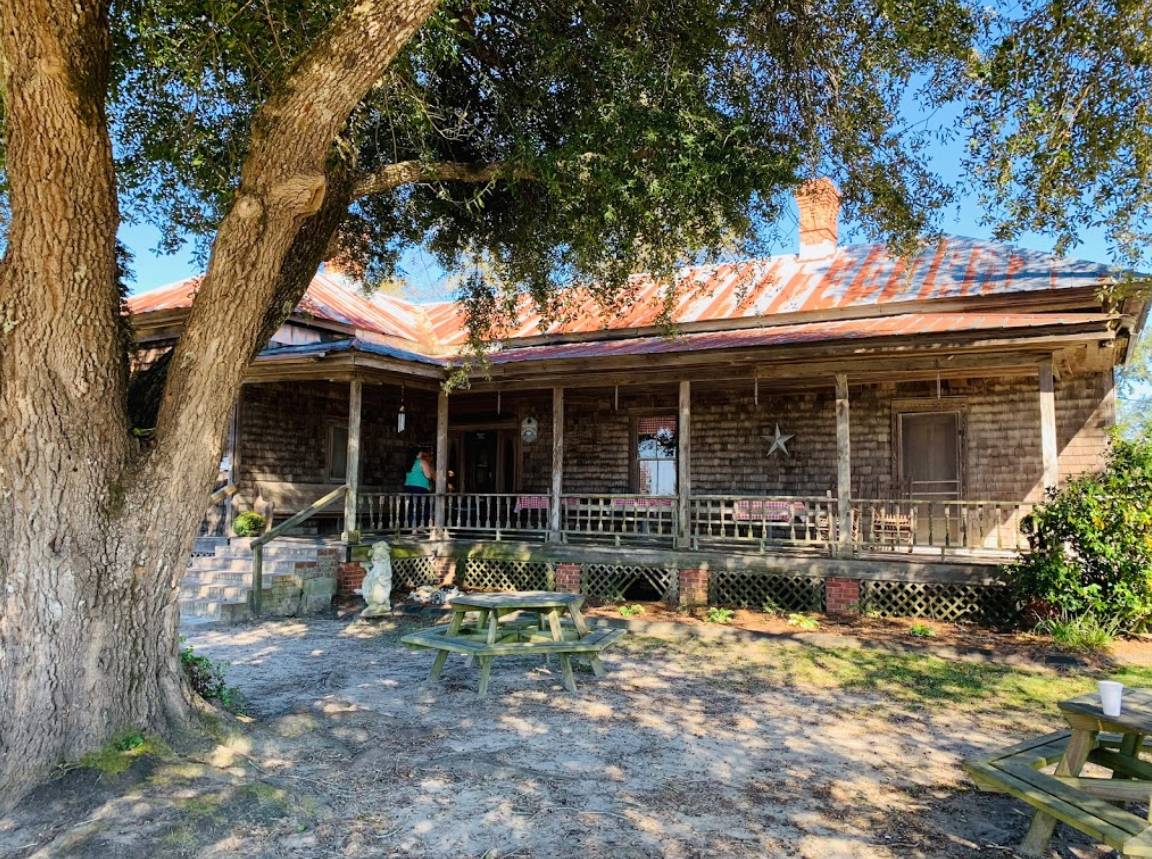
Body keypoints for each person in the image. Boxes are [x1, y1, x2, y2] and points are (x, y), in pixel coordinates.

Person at [403, 447, 434, 531]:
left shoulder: (408, 462)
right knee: (426, 506)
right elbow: (428, 476)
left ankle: (413, 529)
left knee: (412, 507)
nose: (422, 454)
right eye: (421, 452)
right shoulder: (422, 462)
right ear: (418, 453)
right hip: (420, 487)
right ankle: (421, 525)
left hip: (408, 487)